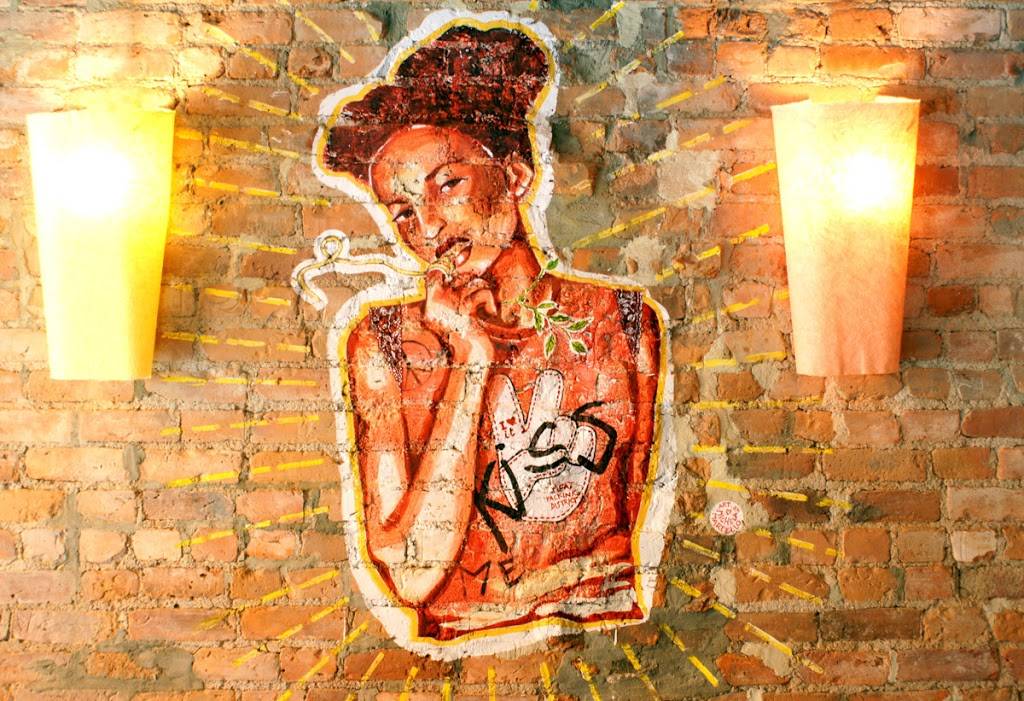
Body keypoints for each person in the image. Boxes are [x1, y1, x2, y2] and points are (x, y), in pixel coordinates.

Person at [308, 15, 671, 648]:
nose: (426, 228)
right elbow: (413, 576)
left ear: (517, 175)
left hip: (603, 643)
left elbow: (618, 526)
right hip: (455, 651)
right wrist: (471, 363)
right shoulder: (385, 343)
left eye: (447, 184)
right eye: (402, 211)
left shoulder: (623, 321)